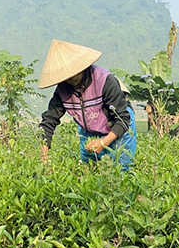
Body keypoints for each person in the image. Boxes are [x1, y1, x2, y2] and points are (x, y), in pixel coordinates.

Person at [38, 40, 137, 171]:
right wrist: (44, 156)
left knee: (121, 171)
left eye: (72, 74)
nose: (69, 79)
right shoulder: (62, 90)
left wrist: (103, 142)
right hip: (90, 129)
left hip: (118, 126)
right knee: (90, 171)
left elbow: (123, 119)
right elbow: (49, 121)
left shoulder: (105, 80)